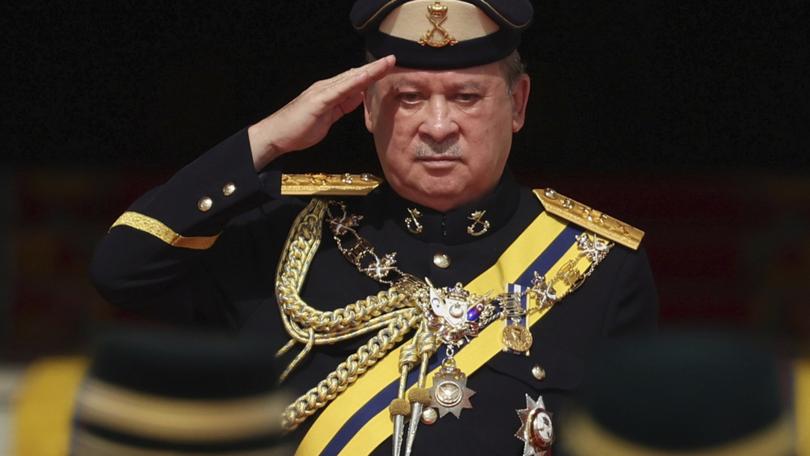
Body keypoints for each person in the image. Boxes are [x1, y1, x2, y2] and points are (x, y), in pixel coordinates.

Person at [90, 1, 658, 454]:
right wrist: (268, 139)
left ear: (517, 104)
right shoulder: (290, 232)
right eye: (409, 98)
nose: (438, 126)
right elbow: (125, 270)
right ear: (364, 108)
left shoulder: (597, 266)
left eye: (466, 97)